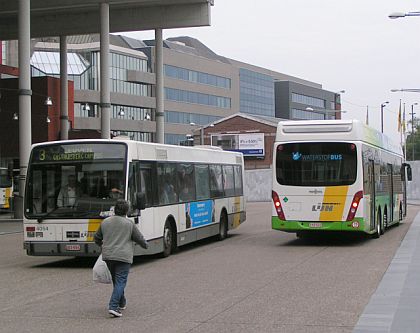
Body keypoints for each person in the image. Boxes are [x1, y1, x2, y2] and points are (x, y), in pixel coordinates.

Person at [94, 199, 148, 318]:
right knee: (120, 281)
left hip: (108, 256)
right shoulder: (129, 224)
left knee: (117, 280)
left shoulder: (105, 222)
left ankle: (121, 302)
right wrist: (145, 245)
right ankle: (113, 307)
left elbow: (97, 238)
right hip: (123, 257)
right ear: (127, 210)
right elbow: (139, 238)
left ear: (115, 209)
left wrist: (102, 245)